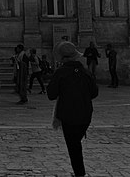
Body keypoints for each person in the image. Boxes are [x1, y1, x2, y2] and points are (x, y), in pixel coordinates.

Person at [47, 42, 98, 177]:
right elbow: (94, 93)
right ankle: (79, 172)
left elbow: (51, 94)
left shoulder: (61, 73)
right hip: (85, 114)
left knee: (73, 145)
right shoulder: (85, 72)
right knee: (75, 143)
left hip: (67, 115)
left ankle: (80, 173)